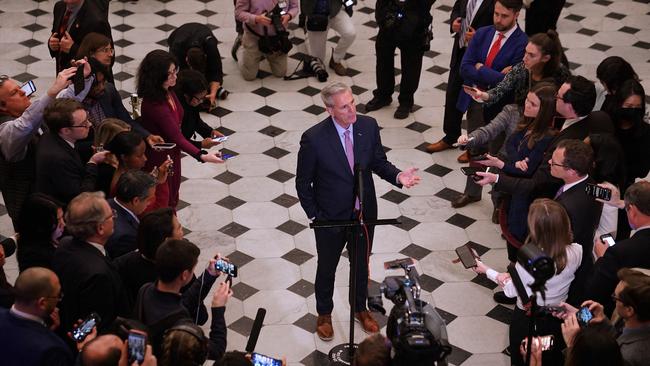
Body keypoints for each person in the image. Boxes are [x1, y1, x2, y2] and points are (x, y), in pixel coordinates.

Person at [295, 82, 421, 340]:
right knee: (327, 266)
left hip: (363, 213)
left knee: (361, 265)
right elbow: (302, 182)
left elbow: (378, 162)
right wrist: (314, 214)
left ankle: (360, 309)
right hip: (329, 218)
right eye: (344, 106)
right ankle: (324, 313)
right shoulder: (314, 139)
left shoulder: (368, 126)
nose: (352, 110)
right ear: (330, 110)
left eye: (352, 102)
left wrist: (398, 177)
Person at [472, 199, 582, 365]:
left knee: (521, 358)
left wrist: (487, 270)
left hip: (527, 317)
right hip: (557, 314)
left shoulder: (529, 261)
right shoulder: (577, 250)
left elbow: (511, 291)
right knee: (549, 356)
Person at [474, 76, 614, 203]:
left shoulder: (562, 144)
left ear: (569, 106)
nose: (554, 98)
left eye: (558, 97)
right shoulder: (602, 117)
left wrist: (497, 178)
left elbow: (538, 183)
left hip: (551, 199)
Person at [0, 63, 94, 228]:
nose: (23, 92)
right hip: (31, 212)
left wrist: (83, 78)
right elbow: (25, 126)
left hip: (55, 198)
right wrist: (51, 92)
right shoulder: (6, 132)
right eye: (15, 93)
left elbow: (61, 104)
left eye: (20, 87)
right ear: (2, 107)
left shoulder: (30, 112)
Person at [473, 83, 556, 264]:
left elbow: (527, 172)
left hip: (525, 197)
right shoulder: (527, 123)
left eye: (533, 105)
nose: (527, 105)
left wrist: (504, 164)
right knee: (510, 231)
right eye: (527, 100)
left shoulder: (547, 136)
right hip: (513, 188)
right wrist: (517, 160)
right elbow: (511, 143)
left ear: (545, 110)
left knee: (519, 237)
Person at [136, 50, 224, 209]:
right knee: (162, 197)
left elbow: (186, 122)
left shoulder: (169, 92)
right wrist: (202, 155)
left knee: (173, 193)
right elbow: (176, 136)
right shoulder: (155, 105)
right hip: (160, 157)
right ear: (158, 76)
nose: (175, 76)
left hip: (172, 153)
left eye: (174, 71)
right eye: (170, 74)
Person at [454, 0, 528, 162]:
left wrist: (481, 68)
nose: (498, 20)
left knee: (495, 155)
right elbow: (465, 68)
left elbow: (509, 82)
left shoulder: (523, 44)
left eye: (504, 16)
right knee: (474, 152)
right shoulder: (482, 33)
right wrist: (495, 75)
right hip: (475, 102)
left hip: (499, 109)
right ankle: (473, 185)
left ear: (516, 15)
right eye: (496, 14)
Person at [52, 192, 131, 336]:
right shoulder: (98, 276)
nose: (114, 217)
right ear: (100, 228)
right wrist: (78, 336)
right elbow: (96, 320)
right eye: (111, 215)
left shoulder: (65, 243)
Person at [422, 0, 496, 153]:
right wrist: (454, 23)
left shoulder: (496, 3)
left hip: (481, 58)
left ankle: (474, 147)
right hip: (461, 52)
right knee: (452, 96)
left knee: (476, 105)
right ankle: (451, 137)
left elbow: (498, 27)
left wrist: (479, 37)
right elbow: (458, 9)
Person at [134, 239, 226, 356]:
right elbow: (216, 350)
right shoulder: (180, 324)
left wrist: (209, 275)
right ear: (184, 275)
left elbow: (183, 303)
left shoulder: (146, 290)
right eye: (192, 270)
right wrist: (218, 308)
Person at [458, 29, 569, 114]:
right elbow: (501, 89)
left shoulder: (561, 74)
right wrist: (482, 94)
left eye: (531, 55)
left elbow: (566, 104)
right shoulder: (521, 68)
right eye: (525, 52)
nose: (525, 58)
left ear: (546, 58)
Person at [557, 268, 650, 366]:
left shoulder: (631, 356)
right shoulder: (635, 323)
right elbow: (616, 340)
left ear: (629, 310)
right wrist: (603, 322)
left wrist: (573, 344)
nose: (613, 299)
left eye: (615, 297)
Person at [549, 139, 602, 304]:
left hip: (566, 261)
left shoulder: (567, 206)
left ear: (571, 171)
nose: (549, 162)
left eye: (554, 163)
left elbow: (558, 242)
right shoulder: (591, 184)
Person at [586, 181, 650, 315]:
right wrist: (620, 203)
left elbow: (594, 294)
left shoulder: (620, 252)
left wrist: (602, 258)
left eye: (627, 209)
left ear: (632, 211)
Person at [364, 0, 435, 119]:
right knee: (383, 59)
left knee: (411, 65)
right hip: (389, 14)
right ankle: (383, 95)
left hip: (415, 19)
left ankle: (406, 101)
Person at [35, 98, 109, 205]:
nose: (89, 124)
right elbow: (81, 198)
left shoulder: (50, 134)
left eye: (88, 119)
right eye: (84, 123)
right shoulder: (59, 159)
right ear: (65, 130)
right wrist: (93, 163)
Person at [0, 267, 74, 366]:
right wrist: (83, 352)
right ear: (42, 303)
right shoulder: (53, 350)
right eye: (57, 295)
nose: (58, 299)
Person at [115, 208, 184, 307]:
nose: (182, 232)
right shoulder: (175, 273)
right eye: (179, 228)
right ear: (167, 241)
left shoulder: (121, 263)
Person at [168, 23, 228, 109]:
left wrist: (212, 94)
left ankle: (212, 88)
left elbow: (216, 71)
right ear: (186, 60)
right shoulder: (177, 49)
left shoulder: (210, 45)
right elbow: (176, 79)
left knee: (209, 74)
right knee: (183, 80)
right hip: (177, 38)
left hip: (201, 32)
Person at [234, 0, 299, 80]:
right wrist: (256, 18)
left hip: (277, 37)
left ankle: (267, 54)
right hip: (254, 35)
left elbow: (295, 7)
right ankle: (240, 47)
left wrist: (289, 16)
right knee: (249, 76)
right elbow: (238, 13)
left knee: (280, 73)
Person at [48, 0, 112, 73]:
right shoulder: (59, 7)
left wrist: (72, 49)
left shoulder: (96, 20)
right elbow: (55, 34)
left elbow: (107, 60)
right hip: (64, 77)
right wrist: (52, 43)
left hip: (86, 81)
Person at [105, 171, 157, 258]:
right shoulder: (127, 236)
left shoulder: (106, 203)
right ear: (136, 201)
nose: (149, 204)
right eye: (148, 200)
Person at [301, 0, 356, 77]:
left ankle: (336, 60)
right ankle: (308, 37)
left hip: (336, 12)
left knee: (350, 33)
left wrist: (350, 3)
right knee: (319, 60)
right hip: (316, 16)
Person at [174, 70, 225, 149]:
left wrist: (210, 132)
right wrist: (200, 145)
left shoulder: (192, 101)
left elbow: (195, 120)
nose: (201, 101)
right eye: (199, 98)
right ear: (186, 95)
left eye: (203, 97)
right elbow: (176, 141)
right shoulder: (174, 110)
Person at [16, 193, 65, 272]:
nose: (63, 224)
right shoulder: (35, 257)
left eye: (62, 218)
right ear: (42, 224)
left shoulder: (47, 239)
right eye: (58, 220)